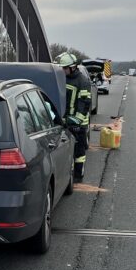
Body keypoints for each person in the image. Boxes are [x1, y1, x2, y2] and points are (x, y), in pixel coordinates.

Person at [54, 52, 92, 183]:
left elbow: (84, 102)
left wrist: (77, 121)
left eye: (65, 68)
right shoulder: (61, 78)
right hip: (65, 120)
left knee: (79, 151)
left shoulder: (83, 81)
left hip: (78, 124)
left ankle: (78, 175)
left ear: (73, 67)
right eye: (62, 68)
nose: (63, 70)